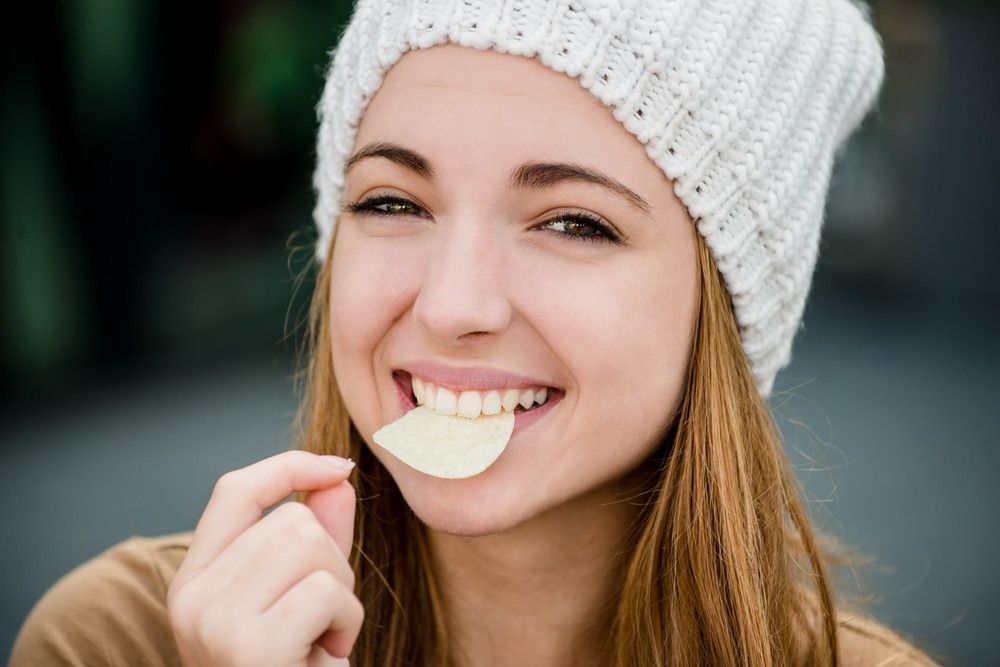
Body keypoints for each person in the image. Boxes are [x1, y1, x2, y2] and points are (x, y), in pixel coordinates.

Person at [11, 0, 941, 665]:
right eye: (392, 202)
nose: (453, 305)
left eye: (573, 222)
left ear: (725, 308)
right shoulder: (121, 640)